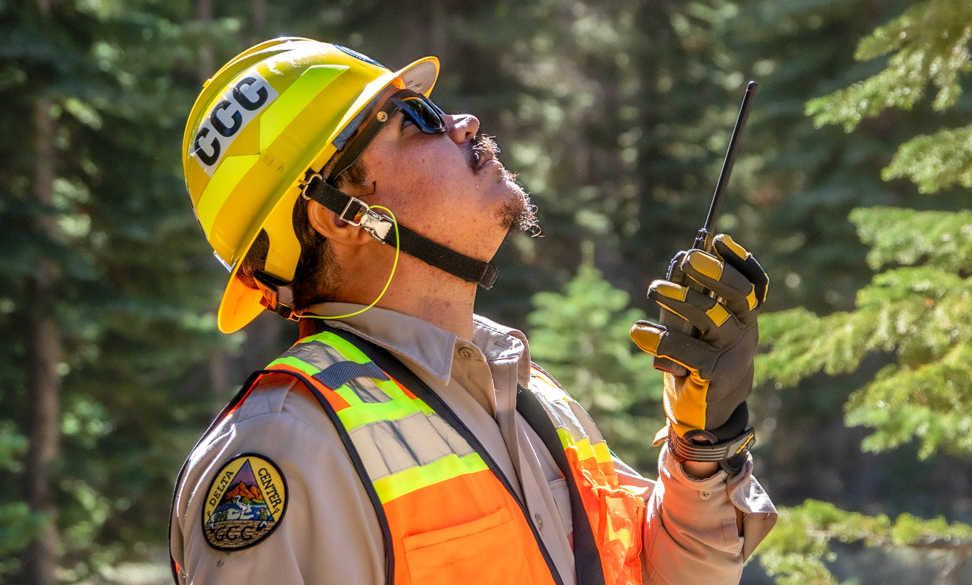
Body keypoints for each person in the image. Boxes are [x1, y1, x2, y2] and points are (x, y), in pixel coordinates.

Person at [169, 37, 777, 585]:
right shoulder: (287, 449)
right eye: (413, 117)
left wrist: (704, 446)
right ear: (339, 212)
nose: (462, 122)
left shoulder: (521, 386)